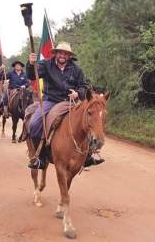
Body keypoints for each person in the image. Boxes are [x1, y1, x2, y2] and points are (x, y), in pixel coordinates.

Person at [26, 41, 104, 169]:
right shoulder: (46, 65)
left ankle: (88, 155)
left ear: (69, 56)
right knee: (34, 123)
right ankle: (40, 157)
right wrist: (30, 64)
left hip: (71, 102)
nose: (63, 55)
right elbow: (31, 75)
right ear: (56, 53)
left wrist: (78, 93)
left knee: (89, 120)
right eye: (60, 52)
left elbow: (84, 87)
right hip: (51, 100)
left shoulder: (77, 69)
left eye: (66, 53)